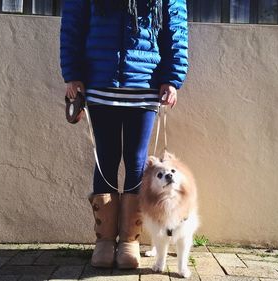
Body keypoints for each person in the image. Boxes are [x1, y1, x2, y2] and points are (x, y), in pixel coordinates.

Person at [59, 0, 189, 269]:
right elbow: (73, 24)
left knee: (137, 162)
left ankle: (129, 241)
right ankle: (105, 242)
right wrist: (72, 74)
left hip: (145, 85)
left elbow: (175, 28)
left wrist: (172, 78)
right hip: (100, 83)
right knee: (105, 160)